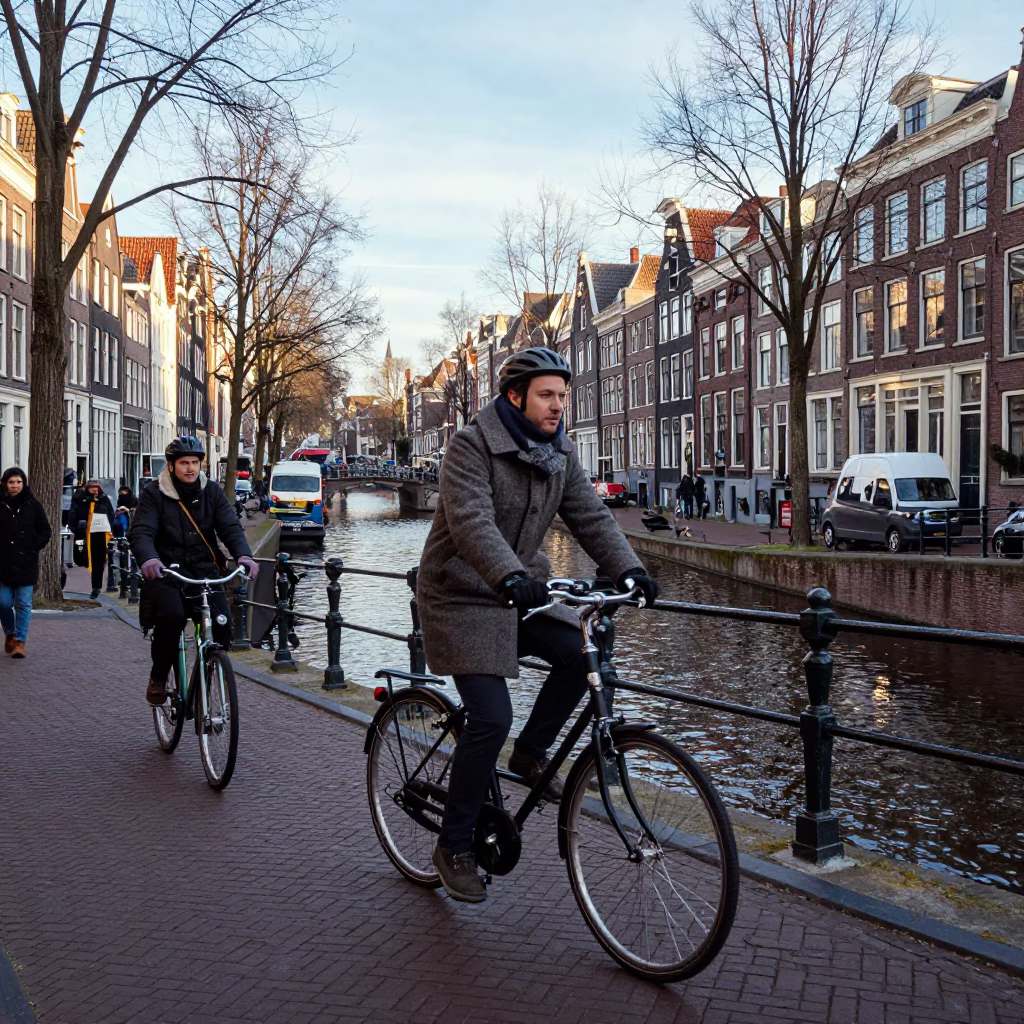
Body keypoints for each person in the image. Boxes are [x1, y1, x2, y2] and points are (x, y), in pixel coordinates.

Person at [416, 346, 659, 904]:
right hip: (461, 594)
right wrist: (507, 573)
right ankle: (453, 846)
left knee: (583, 652)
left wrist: (630, 569)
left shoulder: (560, 452)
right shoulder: (470, 445)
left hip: (520, 589)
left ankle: (530, 753)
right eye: (547, 395)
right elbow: (471, 521)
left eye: (563, 396)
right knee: (490, 717)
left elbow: (590, 515)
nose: (557, 406)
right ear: (515, 396)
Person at [128, 437, 259, 706]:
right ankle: (159, 676)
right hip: (167, 572)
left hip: (204, 570)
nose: (190, 468)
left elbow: (229, 526)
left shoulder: (211, 491)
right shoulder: (154, 493)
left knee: (222, 625)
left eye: (195, 463)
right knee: (172, 618)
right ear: (171, 465)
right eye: (184, 463)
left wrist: (243, 555)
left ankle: (210, 670)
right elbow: (142, 531)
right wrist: (150, 559)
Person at [0, 468, 52, 659]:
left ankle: (20, 642)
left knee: (23, 603)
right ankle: (10, 632)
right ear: (4, 483)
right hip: (3, 563)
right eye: (11, 482)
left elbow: (44, 530)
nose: (15, 485)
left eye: (18, 482)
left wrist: (32, 547)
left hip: (26, 562)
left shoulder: (32, 504)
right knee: (3, 602)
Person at [69, 479, 116, 599]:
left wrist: (109, 530)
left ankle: (96, 587)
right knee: (82, 558)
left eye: (96, 488)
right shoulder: (80, 499)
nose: (94, 490)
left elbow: (110, 514)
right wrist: (76, 528)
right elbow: (73, 513)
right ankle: (94, 584)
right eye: (92, 488)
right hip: (83, 534)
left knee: (98, 561)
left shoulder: (103, 499)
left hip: (99, 534)